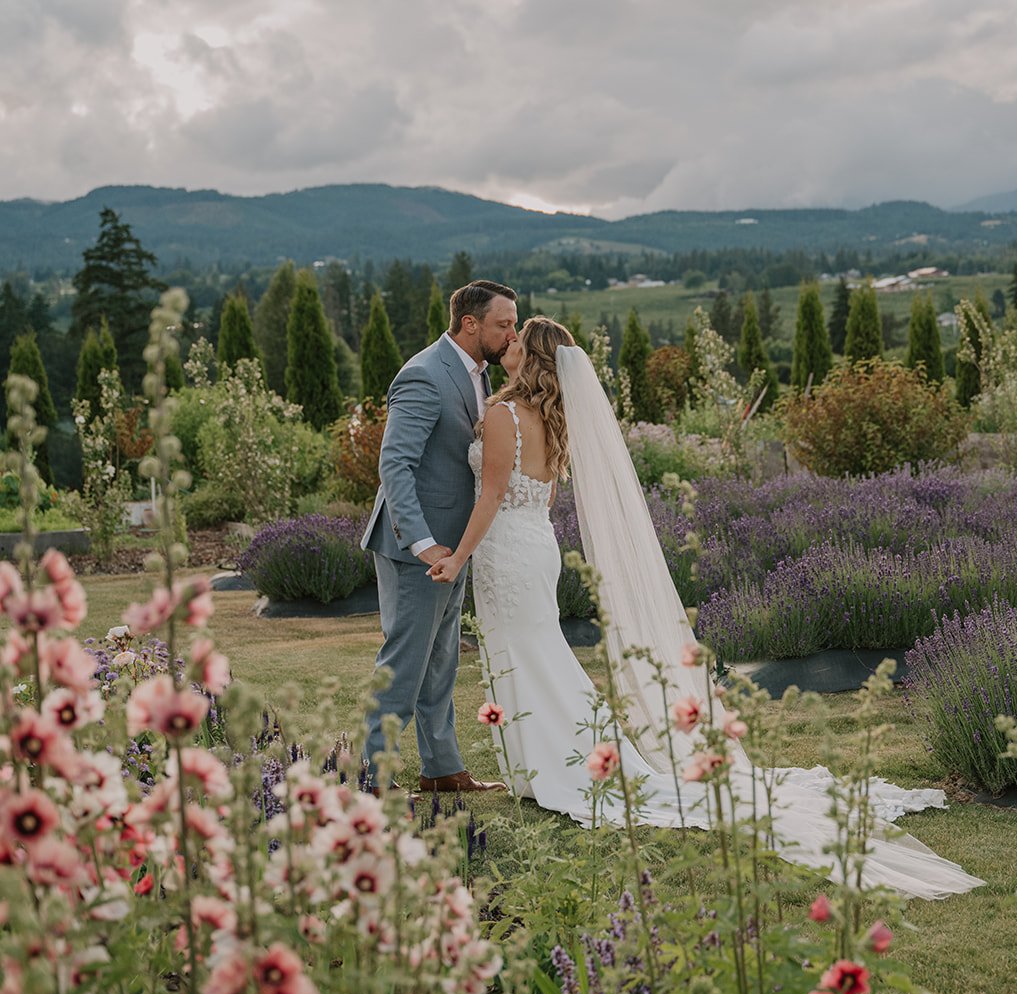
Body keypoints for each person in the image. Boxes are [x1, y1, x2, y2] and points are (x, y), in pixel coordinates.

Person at [432, 316, 983, 899]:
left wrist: (459, 557)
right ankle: (536, 766)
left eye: (517, 340)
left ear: (535, 360)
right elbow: (528, 496)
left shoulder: (501, 415)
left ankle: (557, 767)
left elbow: (492, 495)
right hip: (535, 545)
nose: (507, 345)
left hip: (504, 552)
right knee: (534, 651)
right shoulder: (550, 419)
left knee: (531, 654)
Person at [358, 280, 515, 794]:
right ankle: (373, 776)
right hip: (419, 551)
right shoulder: (424, 374)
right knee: (404, 664)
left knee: (441, 661)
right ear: (470, 323)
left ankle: (442, 768)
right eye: (503, 324)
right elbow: (395, 465)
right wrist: (422, 543)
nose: (511, 333)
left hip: (454, 546)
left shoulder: (478, 375)